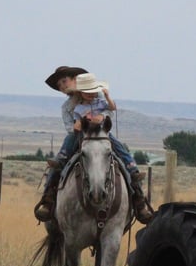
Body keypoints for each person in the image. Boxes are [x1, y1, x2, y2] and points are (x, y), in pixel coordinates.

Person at [34, 68, 154, 224]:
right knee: (58, 164)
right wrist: (76, 126)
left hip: (101, 134)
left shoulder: (95, 96)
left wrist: (102, 117)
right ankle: (48, 199)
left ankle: (138, 198)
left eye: (64, 81)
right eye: (59, 85)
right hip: (79, 137)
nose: (62, 87)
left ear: (76, 79)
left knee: (119, 151)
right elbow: (68, 127)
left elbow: (110, 111)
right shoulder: (67, 107)